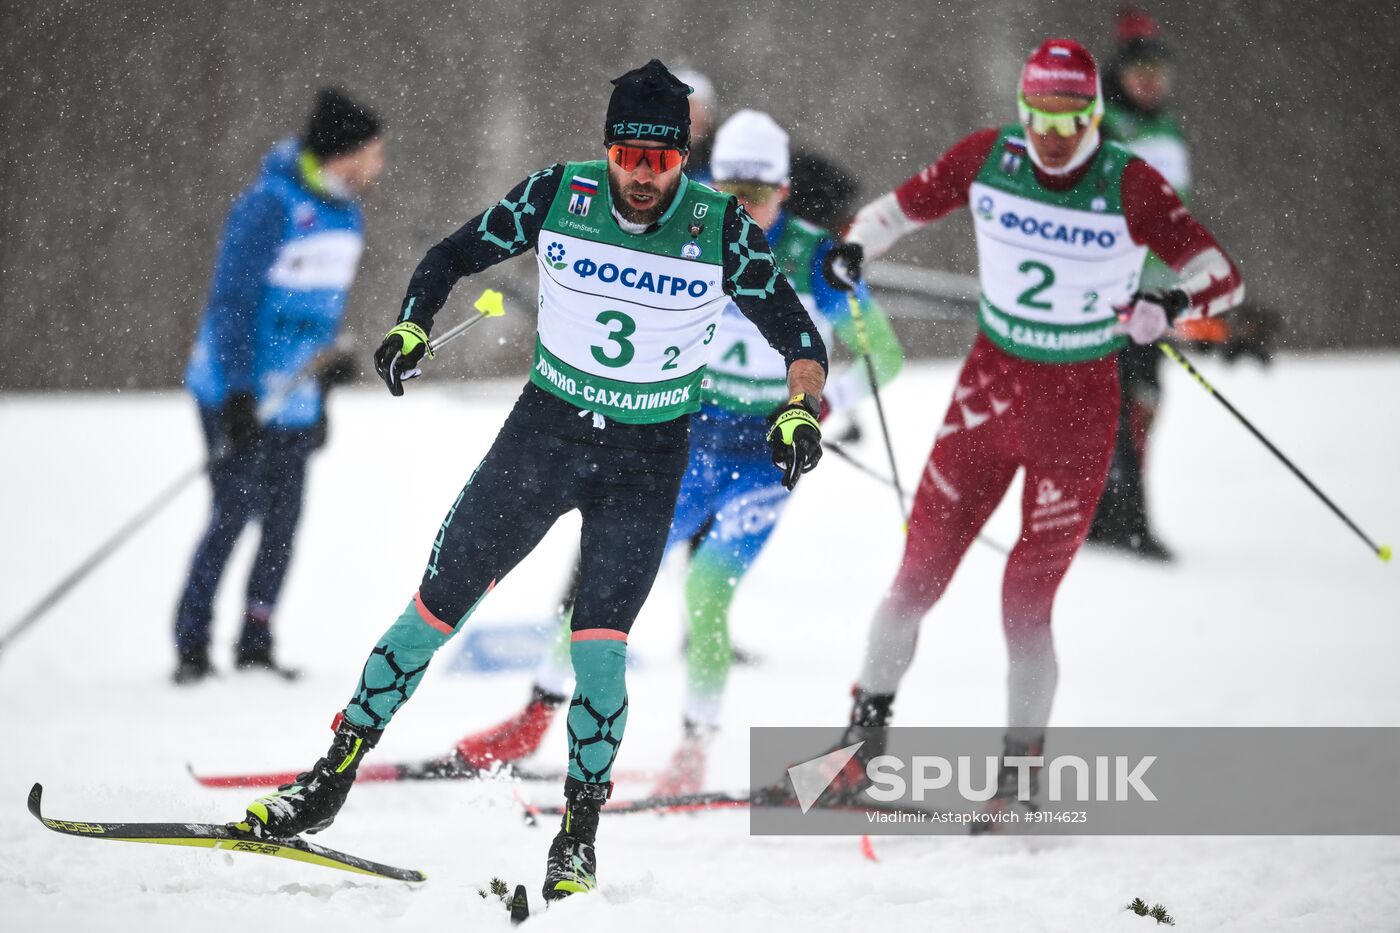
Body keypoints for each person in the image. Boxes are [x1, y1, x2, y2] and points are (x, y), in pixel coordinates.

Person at [235, 62, 828, 902]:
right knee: (433, 609)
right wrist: (412, 325)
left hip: (645, 461)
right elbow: (451, 254)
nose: (643, 177)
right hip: (543, 439)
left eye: (662, 161)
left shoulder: (720, 227)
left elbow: (799, 336)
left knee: (600, 651)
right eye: (629, 157)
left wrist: (800, 408)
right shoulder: (561, 195)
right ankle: (328, 777)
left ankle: (577, 838)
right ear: (608, 148)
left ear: (682, 158)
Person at [820, 38, 1242, 817]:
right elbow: (894, 211)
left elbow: (1220, 275)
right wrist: (851, 247)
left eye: (1071, 117)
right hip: (987, 395)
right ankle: (856, 752)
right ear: (1023, 111)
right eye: (1040, 116)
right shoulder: (991, 156)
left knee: (1025, 602)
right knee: (915, 577)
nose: (1054, 134)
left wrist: (1169, 304)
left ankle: (1017, 780)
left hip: (1077, 411)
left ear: (1095, 113)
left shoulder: (1129, 181)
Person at [447, 110, 903, 797]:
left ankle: (693, 746)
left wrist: (821, 404)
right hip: (688, 436)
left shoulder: (815, 259)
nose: (742, 205)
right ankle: (534, 716)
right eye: (729, 189)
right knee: (606, 576)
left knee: (706, 590)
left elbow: (884, 357)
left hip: (763, 454)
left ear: (785, 191)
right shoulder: (692, 230)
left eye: (758, 193)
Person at [175, 88, 385, 685]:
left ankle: (256, 642)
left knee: (284, 521)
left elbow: (323, 311)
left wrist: (326, 388)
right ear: (345, 152)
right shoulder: (270, 204)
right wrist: (239, 391)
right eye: (373, 152)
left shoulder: (347, 215)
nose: (378, 165)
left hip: (295, 397)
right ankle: (192, 646)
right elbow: (232, 304)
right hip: (235, 391)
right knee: (233, 512)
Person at [1086, 5, 1191, 560]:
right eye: (1139, 72)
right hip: (1118, 296)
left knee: (1143, 404)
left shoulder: (1166, 129)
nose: (1150, 82)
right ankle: (1123, 523)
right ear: (1119, 74)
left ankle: (1114, 517)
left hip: (1159, 296)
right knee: (1119, 407)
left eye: (1159, 73)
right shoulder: (1104, 128)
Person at [673, 68, 717, 183]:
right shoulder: (658, 157)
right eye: (686, 107)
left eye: (700, 107)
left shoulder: (721, 156)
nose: (693, 116)